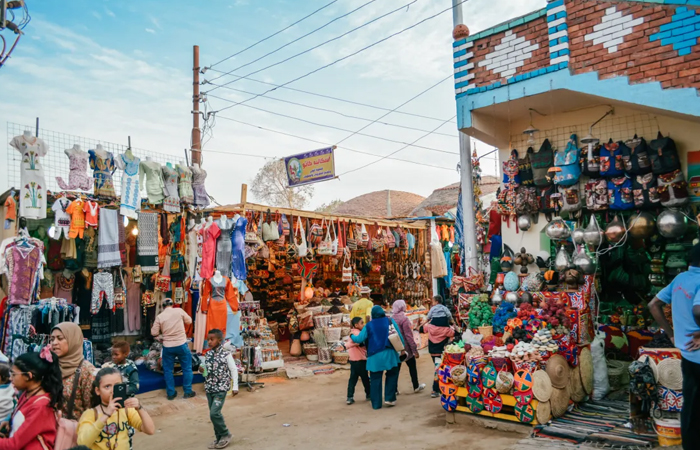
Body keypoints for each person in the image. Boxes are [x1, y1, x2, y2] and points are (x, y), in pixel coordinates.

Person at [648, 243, 700, 450]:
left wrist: (670, 334)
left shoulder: (680, 279)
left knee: (691, 406)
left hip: (687, 353)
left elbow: (653, 305)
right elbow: (698, 310)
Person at [77, 367, 155, 450]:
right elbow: (82, 443)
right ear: (98, 391)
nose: (112, 391)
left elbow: (150, 430)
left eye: (117, 386)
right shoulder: (91, 414)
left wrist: (139, 408)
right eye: (107, 387)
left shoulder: (126, 410)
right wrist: (106, 415)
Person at [0, 348, 63, 449]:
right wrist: (9, 422)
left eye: (14, 374)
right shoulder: (27, 394)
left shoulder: (41, 406)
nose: (11, 378)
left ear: (29, 376)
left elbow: (14, 444)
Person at [350, 306, 400, 409]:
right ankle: (389, 398)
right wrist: (402, 349)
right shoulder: (389, 321)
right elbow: (398, 335)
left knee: (375, 378)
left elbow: (359, 339)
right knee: (392, 373)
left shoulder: (369, 325)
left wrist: (351, 336)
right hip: (389, 353)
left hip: (374, 355)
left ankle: (376, 404)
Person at [151, 297, 195, 400]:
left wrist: (161, 335)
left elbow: (154, 332)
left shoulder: (160, 316)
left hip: (168, 347)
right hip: (181, 344)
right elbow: (189, 321)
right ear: (172, 304)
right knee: (187, 368)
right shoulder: (179, 311)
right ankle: (188, 391)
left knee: (168, 371)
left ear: (163, 306)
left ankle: (171, 393)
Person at [51, 322, 97, 420]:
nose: (54, 343)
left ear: (73, 340)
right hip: (51, 431)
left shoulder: (86, 371)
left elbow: (91, 410)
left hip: (76, 432)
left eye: (60, 338)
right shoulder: (50, 366)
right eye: (52, 339)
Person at [199, 329, 234, 449]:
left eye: (212, 339)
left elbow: (233, 369)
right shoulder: (207, 354)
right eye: (208, 339)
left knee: (214, 413)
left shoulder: (226, 354)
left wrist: (235, 387)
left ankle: (225, 434)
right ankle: (218, 437)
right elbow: (204, 368)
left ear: (219, 340)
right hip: (209, 388)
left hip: (221, 388)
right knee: (213, 414)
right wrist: (201, 370)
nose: (209, 342)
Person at [392, 300, 425, 394]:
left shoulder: (391, 318)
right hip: (406, 348)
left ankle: (394, 389)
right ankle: (416, 386)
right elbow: (408, 336)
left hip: (395, 347)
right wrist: (414, 350)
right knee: (412, 367)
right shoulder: (404, 319)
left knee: (396, 369)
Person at [420, 315, 455, 398]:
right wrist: (452, 324)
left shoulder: (429, 326)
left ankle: (439, 388)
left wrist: (427, 321)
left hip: (433, 352)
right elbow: (455, 332)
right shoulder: (446, 329)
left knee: (438, 369)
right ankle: (435, 390)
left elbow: (421, 329)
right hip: (441, 353)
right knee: (438, 370)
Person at [345, 317, 370, 405]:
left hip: (353, 360)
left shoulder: (352, 333)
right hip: (361, 360)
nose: (363, 325)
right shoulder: (359, 334)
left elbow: (350, 344)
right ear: (356, 325)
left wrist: (348, 345)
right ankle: (369, 394)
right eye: (362, 323)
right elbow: (360, 342)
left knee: (353, 379)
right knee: (365, 379)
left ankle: (349, 397)